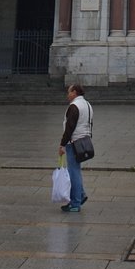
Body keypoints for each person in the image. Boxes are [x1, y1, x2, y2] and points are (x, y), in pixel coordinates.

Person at [58, 82, 92, 212]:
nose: (67, 94)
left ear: (75, 92)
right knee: (76, 170)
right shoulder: (87, 105)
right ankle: (80, 195)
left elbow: (69, 128)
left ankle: (75, 203)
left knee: (73, 172)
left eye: (69, 92)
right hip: (84, 140)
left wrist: (62, 144)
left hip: (74, 142)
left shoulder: (74, 106)